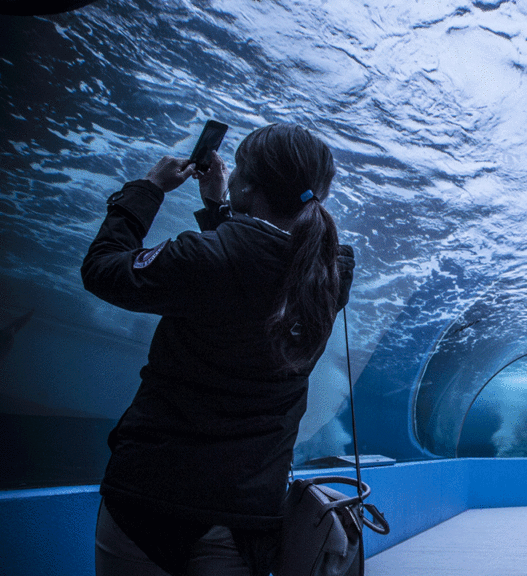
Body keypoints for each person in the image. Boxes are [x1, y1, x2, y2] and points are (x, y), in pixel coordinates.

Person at [81, 123, 355, 576]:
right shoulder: (329, 277)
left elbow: (102, 270)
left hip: (148, 502)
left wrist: (148, 190)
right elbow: (251, 269)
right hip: (246, 517)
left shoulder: (206, 259)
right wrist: (220, 207)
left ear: (247, 183)